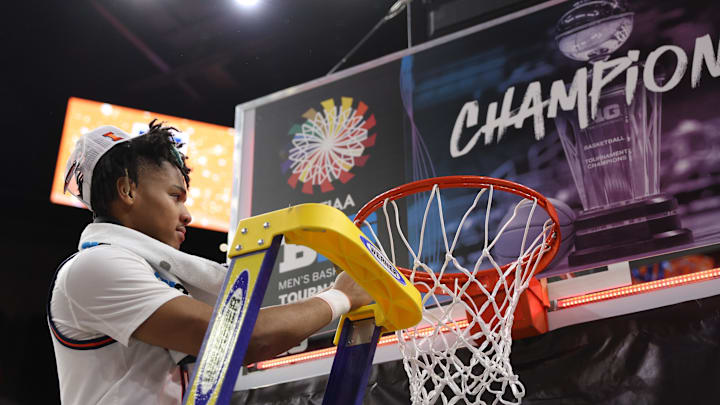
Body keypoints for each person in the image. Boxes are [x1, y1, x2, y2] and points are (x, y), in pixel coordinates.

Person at [48, 120, 372, 404]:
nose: (186, 215)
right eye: (175, 196)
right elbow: (241, 339)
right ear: (127, 190)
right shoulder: (96, 266)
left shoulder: (139, 270)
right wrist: (340, 296)